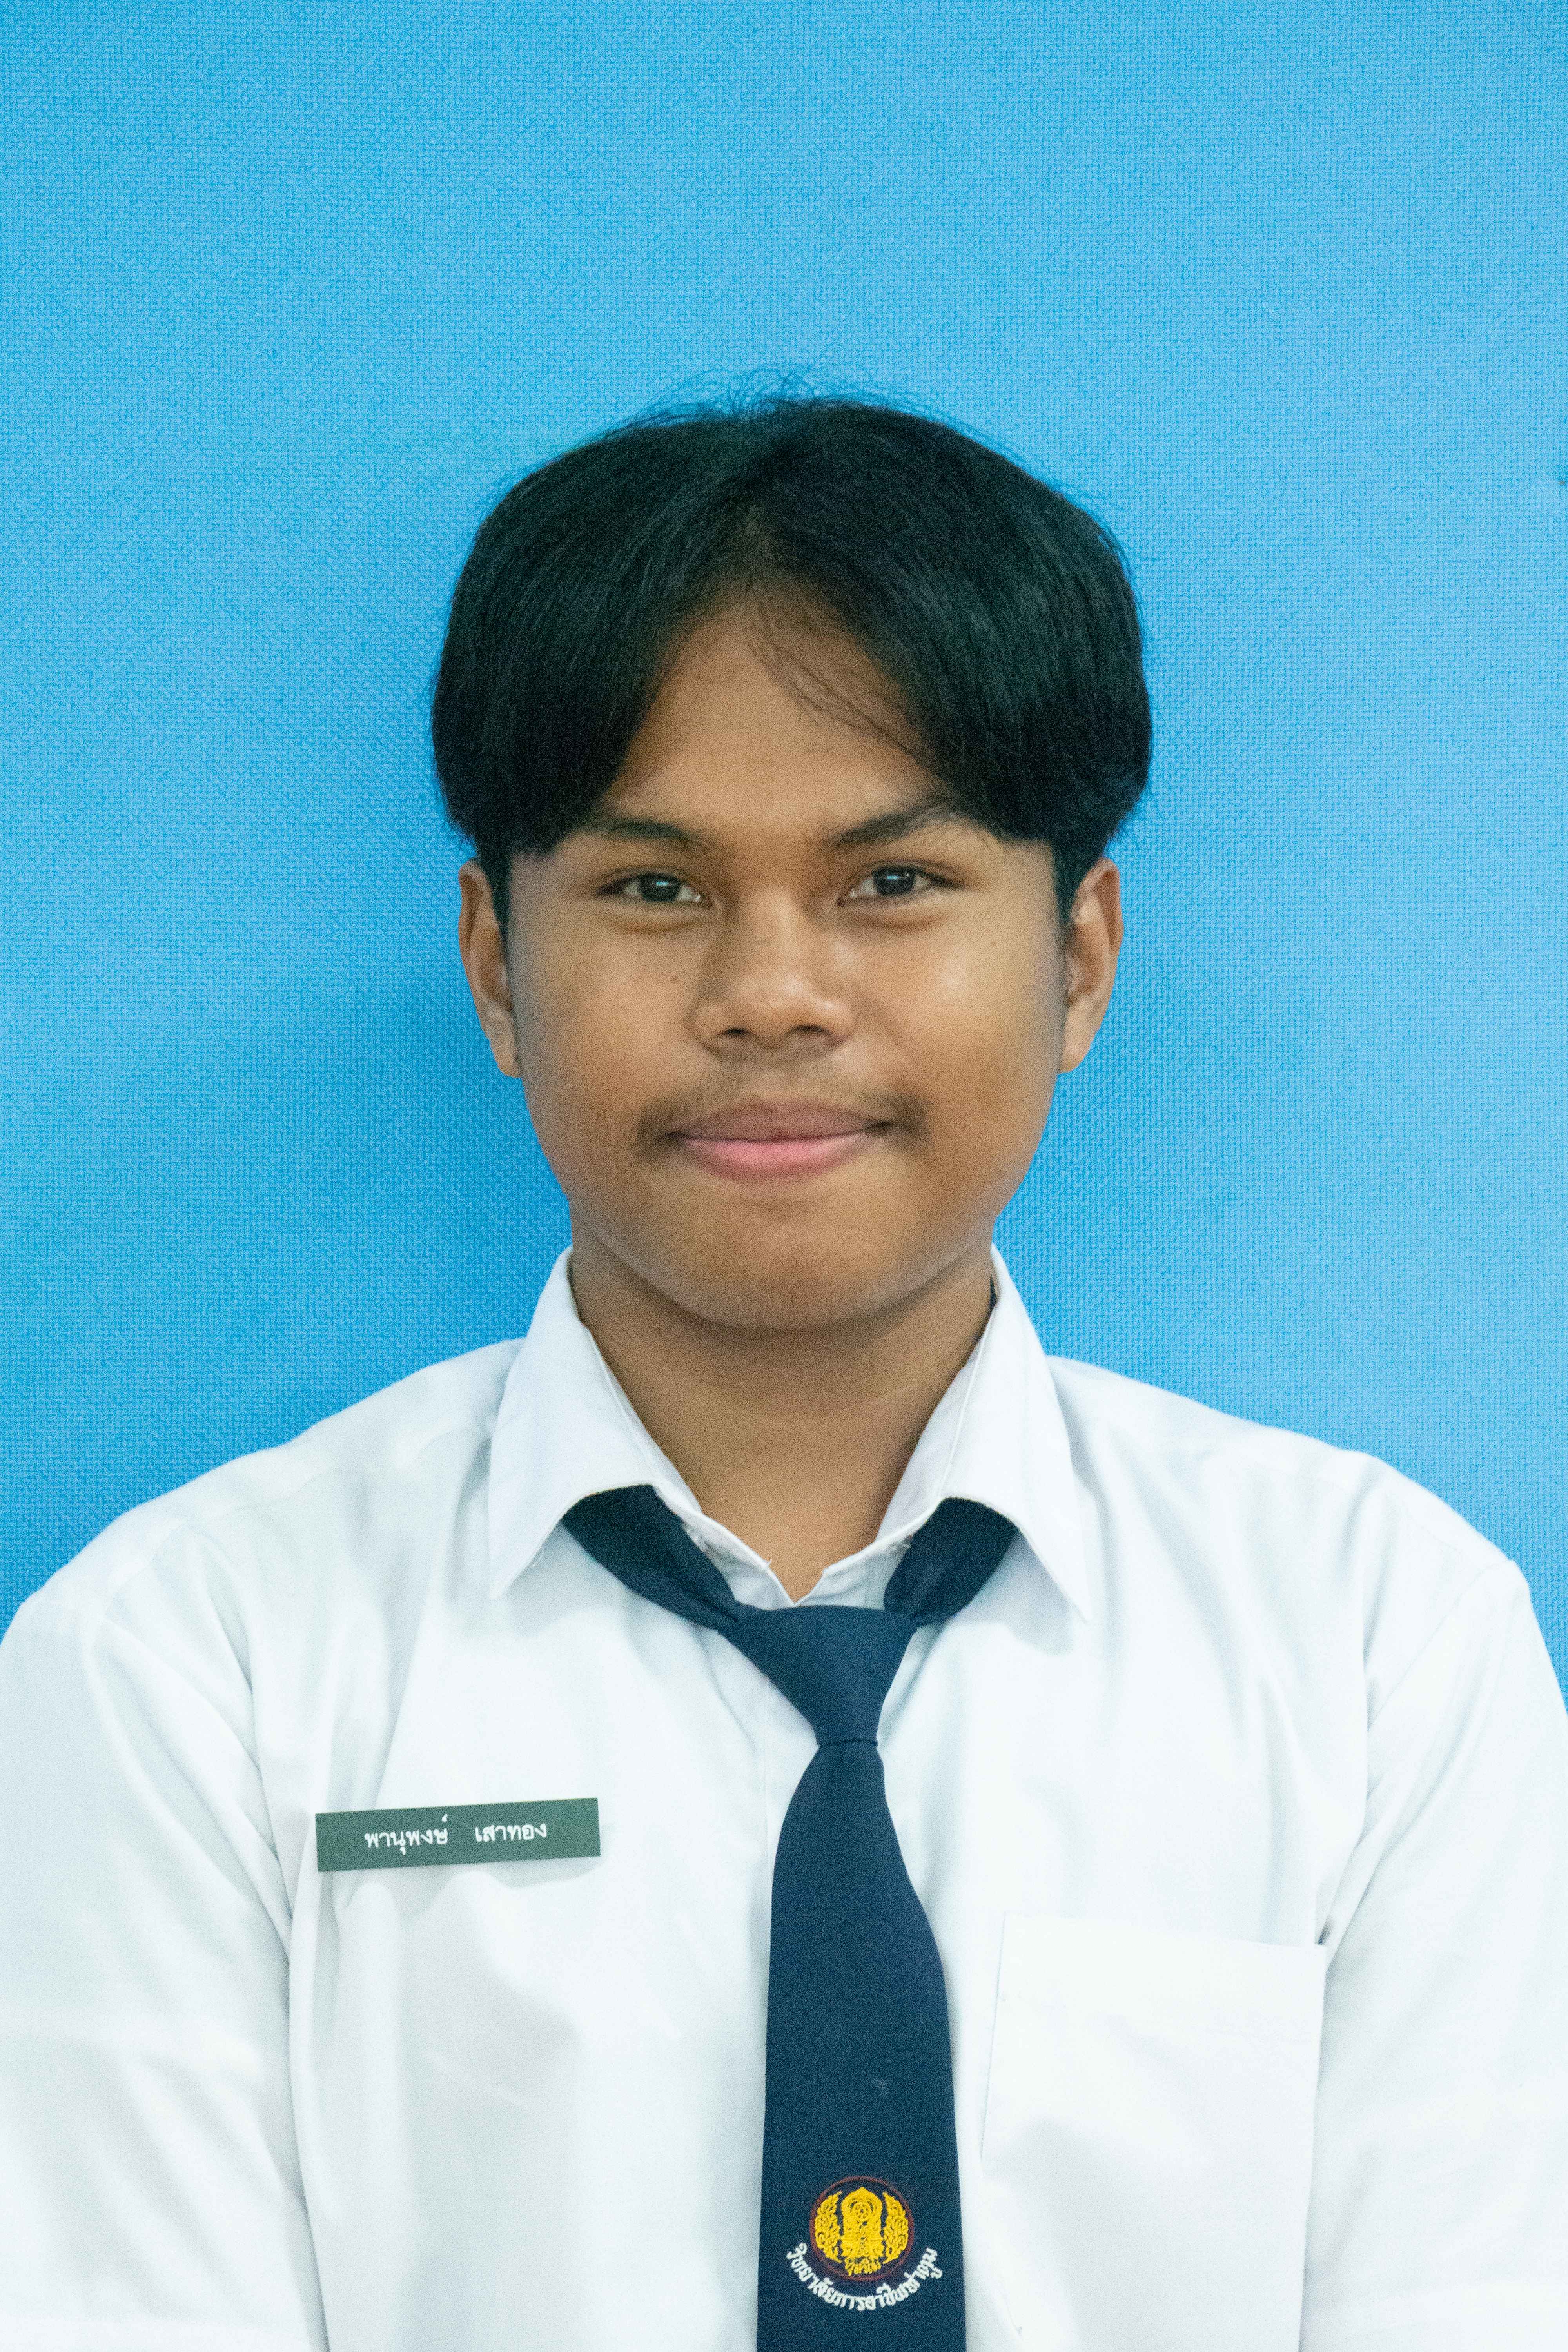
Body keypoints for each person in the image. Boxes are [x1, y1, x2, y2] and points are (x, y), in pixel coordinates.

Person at [1, 390, 1564, 2352]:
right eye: (654, 889)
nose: (768, 995)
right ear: (494, 963)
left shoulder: (1374, 1644)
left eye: (890, 884)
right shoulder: (190, 1664)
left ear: (1079, 956)